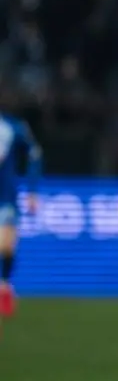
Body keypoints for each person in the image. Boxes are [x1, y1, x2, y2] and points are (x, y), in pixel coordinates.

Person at [0, 113, 41, 319]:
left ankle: (5, 286)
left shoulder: (12, 128)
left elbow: (34, 153)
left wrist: (32, 190)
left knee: (6, 245)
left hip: (5, 197)